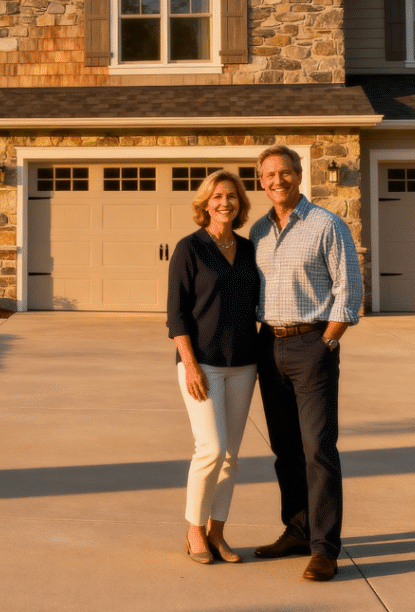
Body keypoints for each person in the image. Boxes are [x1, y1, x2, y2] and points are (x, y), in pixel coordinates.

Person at [250, 144, 363, 582]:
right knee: (286, 450)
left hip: (311, 344)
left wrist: (327, 343)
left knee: (318, 448)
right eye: (267, 174)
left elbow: (348, 291)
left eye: (284, 172)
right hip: (268, 346)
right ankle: (297, 530)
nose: (276, 180)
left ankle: (325, 547)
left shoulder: (326, 225)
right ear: (260, 181)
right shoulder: (258, 231)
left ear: (299, 175)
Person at [167, 169, 259, 565]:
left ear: (240, 205)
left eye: (232, 197)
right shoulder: (190, 248)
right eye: (218, 196)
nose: (225, 203)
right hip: (201, 362)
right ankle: (193, 530)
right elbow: (176, 314)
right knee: (211, 448)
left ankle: (217, 532)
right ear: (205, 204)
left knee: (232, 455)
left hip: (243, 363)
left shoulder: (248, 248)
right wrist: (190, 366)